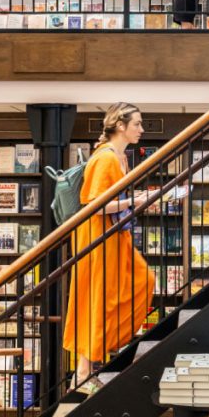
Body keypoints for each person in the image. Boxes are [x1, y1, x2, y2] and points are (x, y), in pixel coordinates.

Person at [63, 102, 155, 388]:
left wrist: (136, 198)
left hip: (113, 234)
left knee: (137, 282)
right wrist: (135, 201)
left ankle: (89, 364)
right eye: (137, 124)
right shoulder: (106, 158)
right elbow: (95, 205)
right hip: (99, 236)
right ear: (120, 126)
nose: (141, 129)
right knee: (99, 297)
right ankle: (84, 371)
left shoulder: (120, 157)